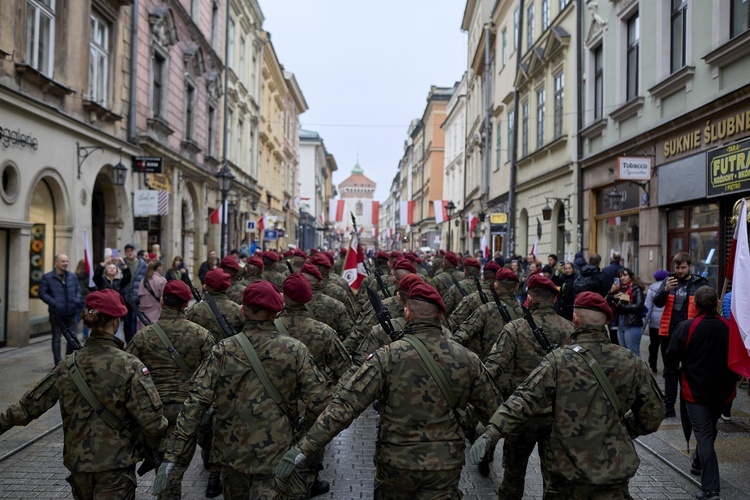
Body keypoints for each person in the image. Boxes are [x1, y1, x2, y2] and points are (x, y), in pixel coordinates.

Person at [276, 283, 502, 498]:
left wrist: (304, 447)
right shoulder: (467, 358)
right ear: (440, 316)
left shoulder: (386, 356)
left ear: (406, 313)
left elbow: (345, 406)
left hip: (396, 463)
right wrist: (488, 436)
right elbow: (494, 409)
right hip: (444, 464)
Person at [470, 292, 665, 498]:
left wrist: (492, 431)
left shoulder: (558, 361)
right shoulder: (632, 363)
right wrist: (622, 430)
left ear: (575, 319)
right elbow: (653, 416)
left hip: (567, 474)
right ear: (608, 321)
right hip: (613, 476)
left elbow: (523, 399)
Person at [156, 281, 331, 499]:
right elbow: (321, 403)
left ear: (242, 309)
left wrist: (172, 455)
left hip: (232, 457)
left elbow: (195, 403)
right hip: (275, 456)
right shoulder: (295, 350)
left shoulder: (223, 350)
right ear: (276, 311)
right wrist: (302, 440)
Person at [0, 289, 167, 498]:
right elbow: (152, 423)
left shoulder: (67, 365)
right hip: (116, 467)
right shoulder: (129, 365)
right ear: (116, 322)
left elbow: (26, 409)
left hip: (79, 468)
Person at [483, 274, 575, 492]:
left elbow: (493, 369)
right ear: (554, 300)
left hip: (521, 414)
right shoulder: (570, 329)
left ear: (529, 299)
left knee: (513, 476)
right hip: (557, 416)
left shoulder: (515, 329)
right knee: (553, 479)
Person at [126, 280, 215, 499]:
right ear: (186, 304)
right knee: (173, 469)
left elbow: (127, 373)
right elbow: (213, 378)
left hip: (152, 412)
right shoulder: (201, 335)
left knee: (163, 465)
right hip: (188, 412)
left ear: (163, 301)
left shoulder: (142, 337)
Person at [274, 273, 352, 496]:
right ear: (308, 298)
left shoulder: (268, 327)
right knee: (305, 461)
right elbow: (346, 370)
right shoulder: (323, 332)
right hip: (311, 407)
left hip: (271, 407)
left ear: (283, 296)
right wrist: (329, 393)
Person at [665, 286, 739, 500]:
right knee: (709, 428)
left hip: (695, 392)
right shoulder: (729, 327)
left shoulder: (686, 327)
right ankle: (698, 460)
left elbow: (671, 357)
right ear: (717, 303)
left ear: (695, 304)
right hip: (723, 391)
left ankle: (711, 490)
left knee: (704, 435)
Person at [653, 252, 709, 418]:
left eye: (683, 267)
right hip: (669, 332)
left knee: (689, 371)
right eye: (677, 267)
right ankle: (669, 407)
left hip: (690, 333)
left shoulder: (699, 283)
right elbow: (657, 302)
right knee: (670, 371)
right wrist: (665, 290)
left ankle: (690, 406)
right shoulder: (669, 280)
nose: (679, 270)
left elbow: (706, 306)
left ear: (689, 266)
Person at [38, 254, 83, 365]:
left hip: (71, 312)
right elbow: (42, 293)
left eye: (67, 261)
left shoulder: (72, 276)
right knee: (56, 339)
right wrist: (55, 303)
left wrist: (76, 301)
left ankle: (67, 361)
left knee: (73, 338)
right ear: (56, 263)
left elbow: (78, 289)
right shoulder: (47, 277)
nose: (65, 263)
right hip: (56, 315)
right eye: (63, 261)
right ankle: (58, 363)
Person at [606, 268, 646, 356]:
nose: (622, 278)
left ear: (630, 276)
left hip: (633, 323)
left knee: (633, 353)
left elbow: (639, 306)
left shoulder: (636, 289)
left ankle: (638, 369)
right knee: (624, 353)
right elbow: (607, 302)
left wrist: (622, 307)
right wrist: (611, 292)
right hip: (620, 323)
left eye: (625, 275)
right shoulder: (619, 289)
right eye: (620, 276)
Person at [121, 244, 148, 343]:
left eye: (131, 250)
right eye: (127, 251)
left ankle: (136, 341)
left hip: (138, 297)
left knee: (136, 321)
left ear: (135, 252)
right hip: (125, 297)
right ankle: (129, 342)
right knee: (127, 322)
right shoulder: (121, 264)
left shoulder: (143, 264)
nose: (130, 253)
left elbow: (146, 280)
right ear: (125, 253)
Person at [644, 269, 669, 373]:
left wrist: (644, 323)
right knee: (666, 346)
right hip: (666, 321)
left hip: (654, 322)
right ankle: (666, 368)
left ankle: (653, 364)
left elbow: (648, 308)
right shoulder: (670, 288)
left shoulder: (652, 289)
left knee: (654, 344)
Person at [137, 259, 167, 329]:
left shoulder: (143, 281)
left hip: (143, 315)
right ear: (159, 268)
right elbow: (164, 297)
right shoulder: (161, 280)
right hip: (157, 313)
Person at [74, 259, 94, 341]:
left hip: (77, 299)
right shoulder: (88, 276)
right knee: (86, 318)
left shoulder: (74, 275)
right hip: (86, 299)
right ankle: (85, 335)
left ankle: (73, 334)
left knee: (76, 319)